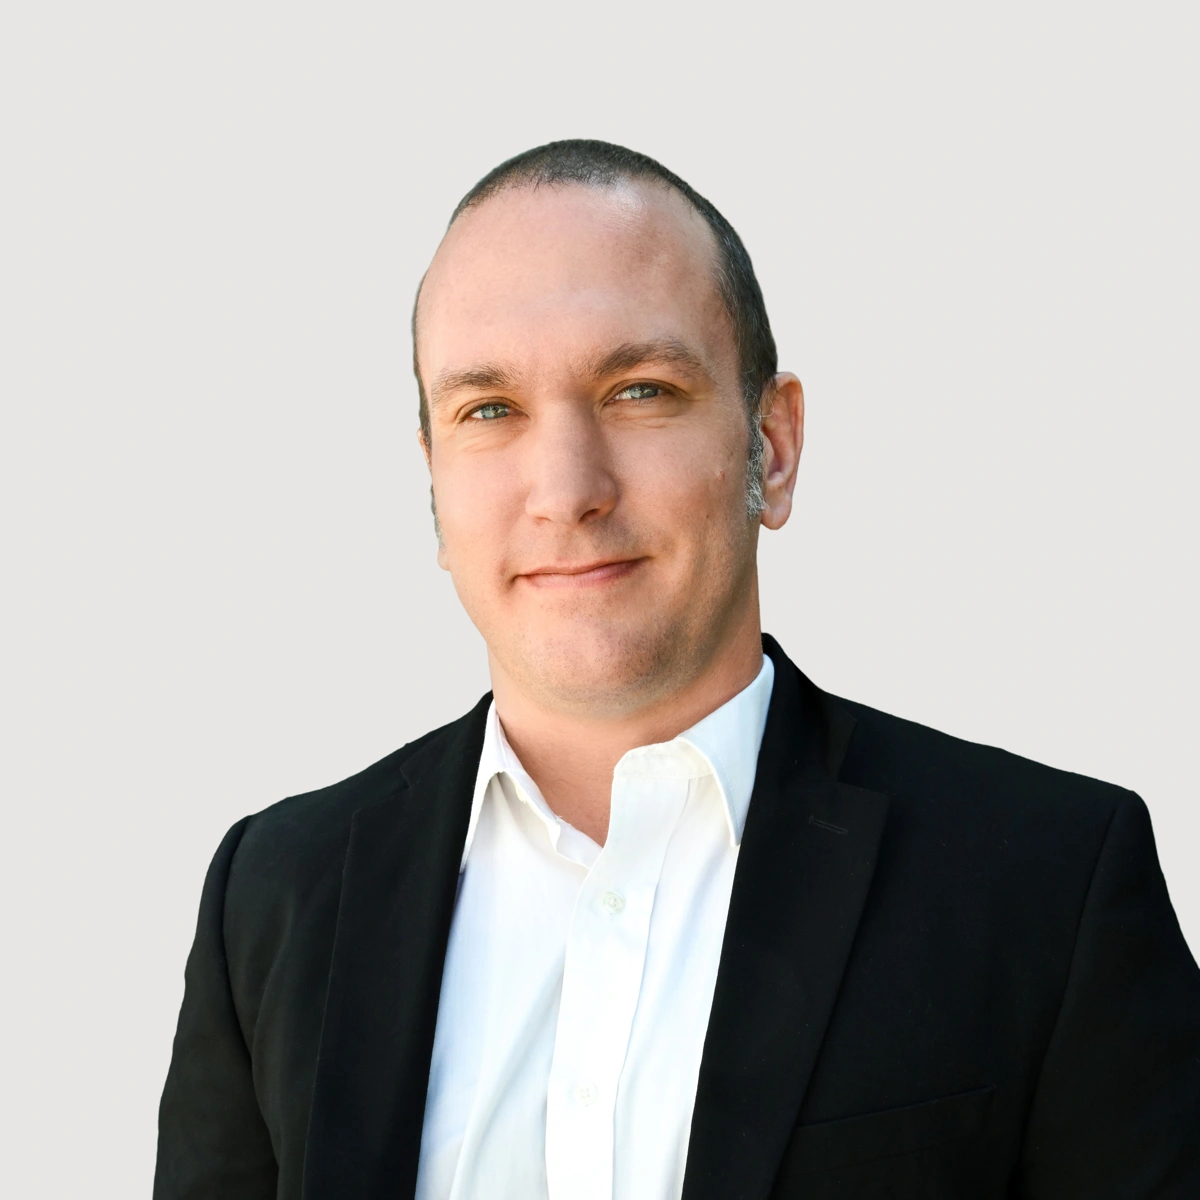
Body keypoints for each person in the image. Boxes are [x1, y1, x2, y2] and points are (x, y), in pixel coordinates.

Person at [154, 140, 1200, 1200]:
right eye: (489, 410)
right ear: (433, 475)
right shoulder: (274, 895)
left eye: (639, 390)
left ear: (772, 447)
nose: (567, 490)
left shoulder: (1049, 886)